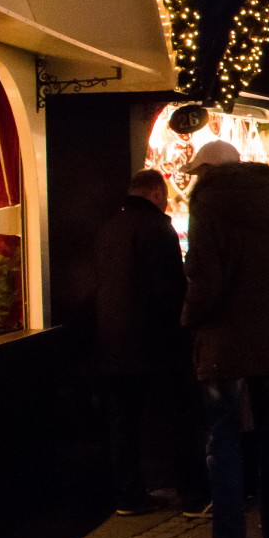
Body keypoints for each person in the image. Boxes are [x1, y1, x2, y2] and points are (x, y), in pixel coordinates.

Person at [182, 141, 269, 538]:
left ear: (211, 170)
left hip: (224, 343)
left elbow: (205, 277)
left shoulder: (208, 202)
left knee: (224, 443)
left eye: (199, 171)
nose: (196, 178)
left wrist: (191, 319)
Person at [93, 169, 206, 517]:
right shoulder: (157, 228)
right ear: (156, 192)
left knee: (123, 422)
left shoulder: (109, 227)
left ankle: (128, 495)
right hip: (155, 344)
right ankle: (193, 497)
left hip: (111, 343)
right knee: (180, 418)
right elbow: (169, 290)